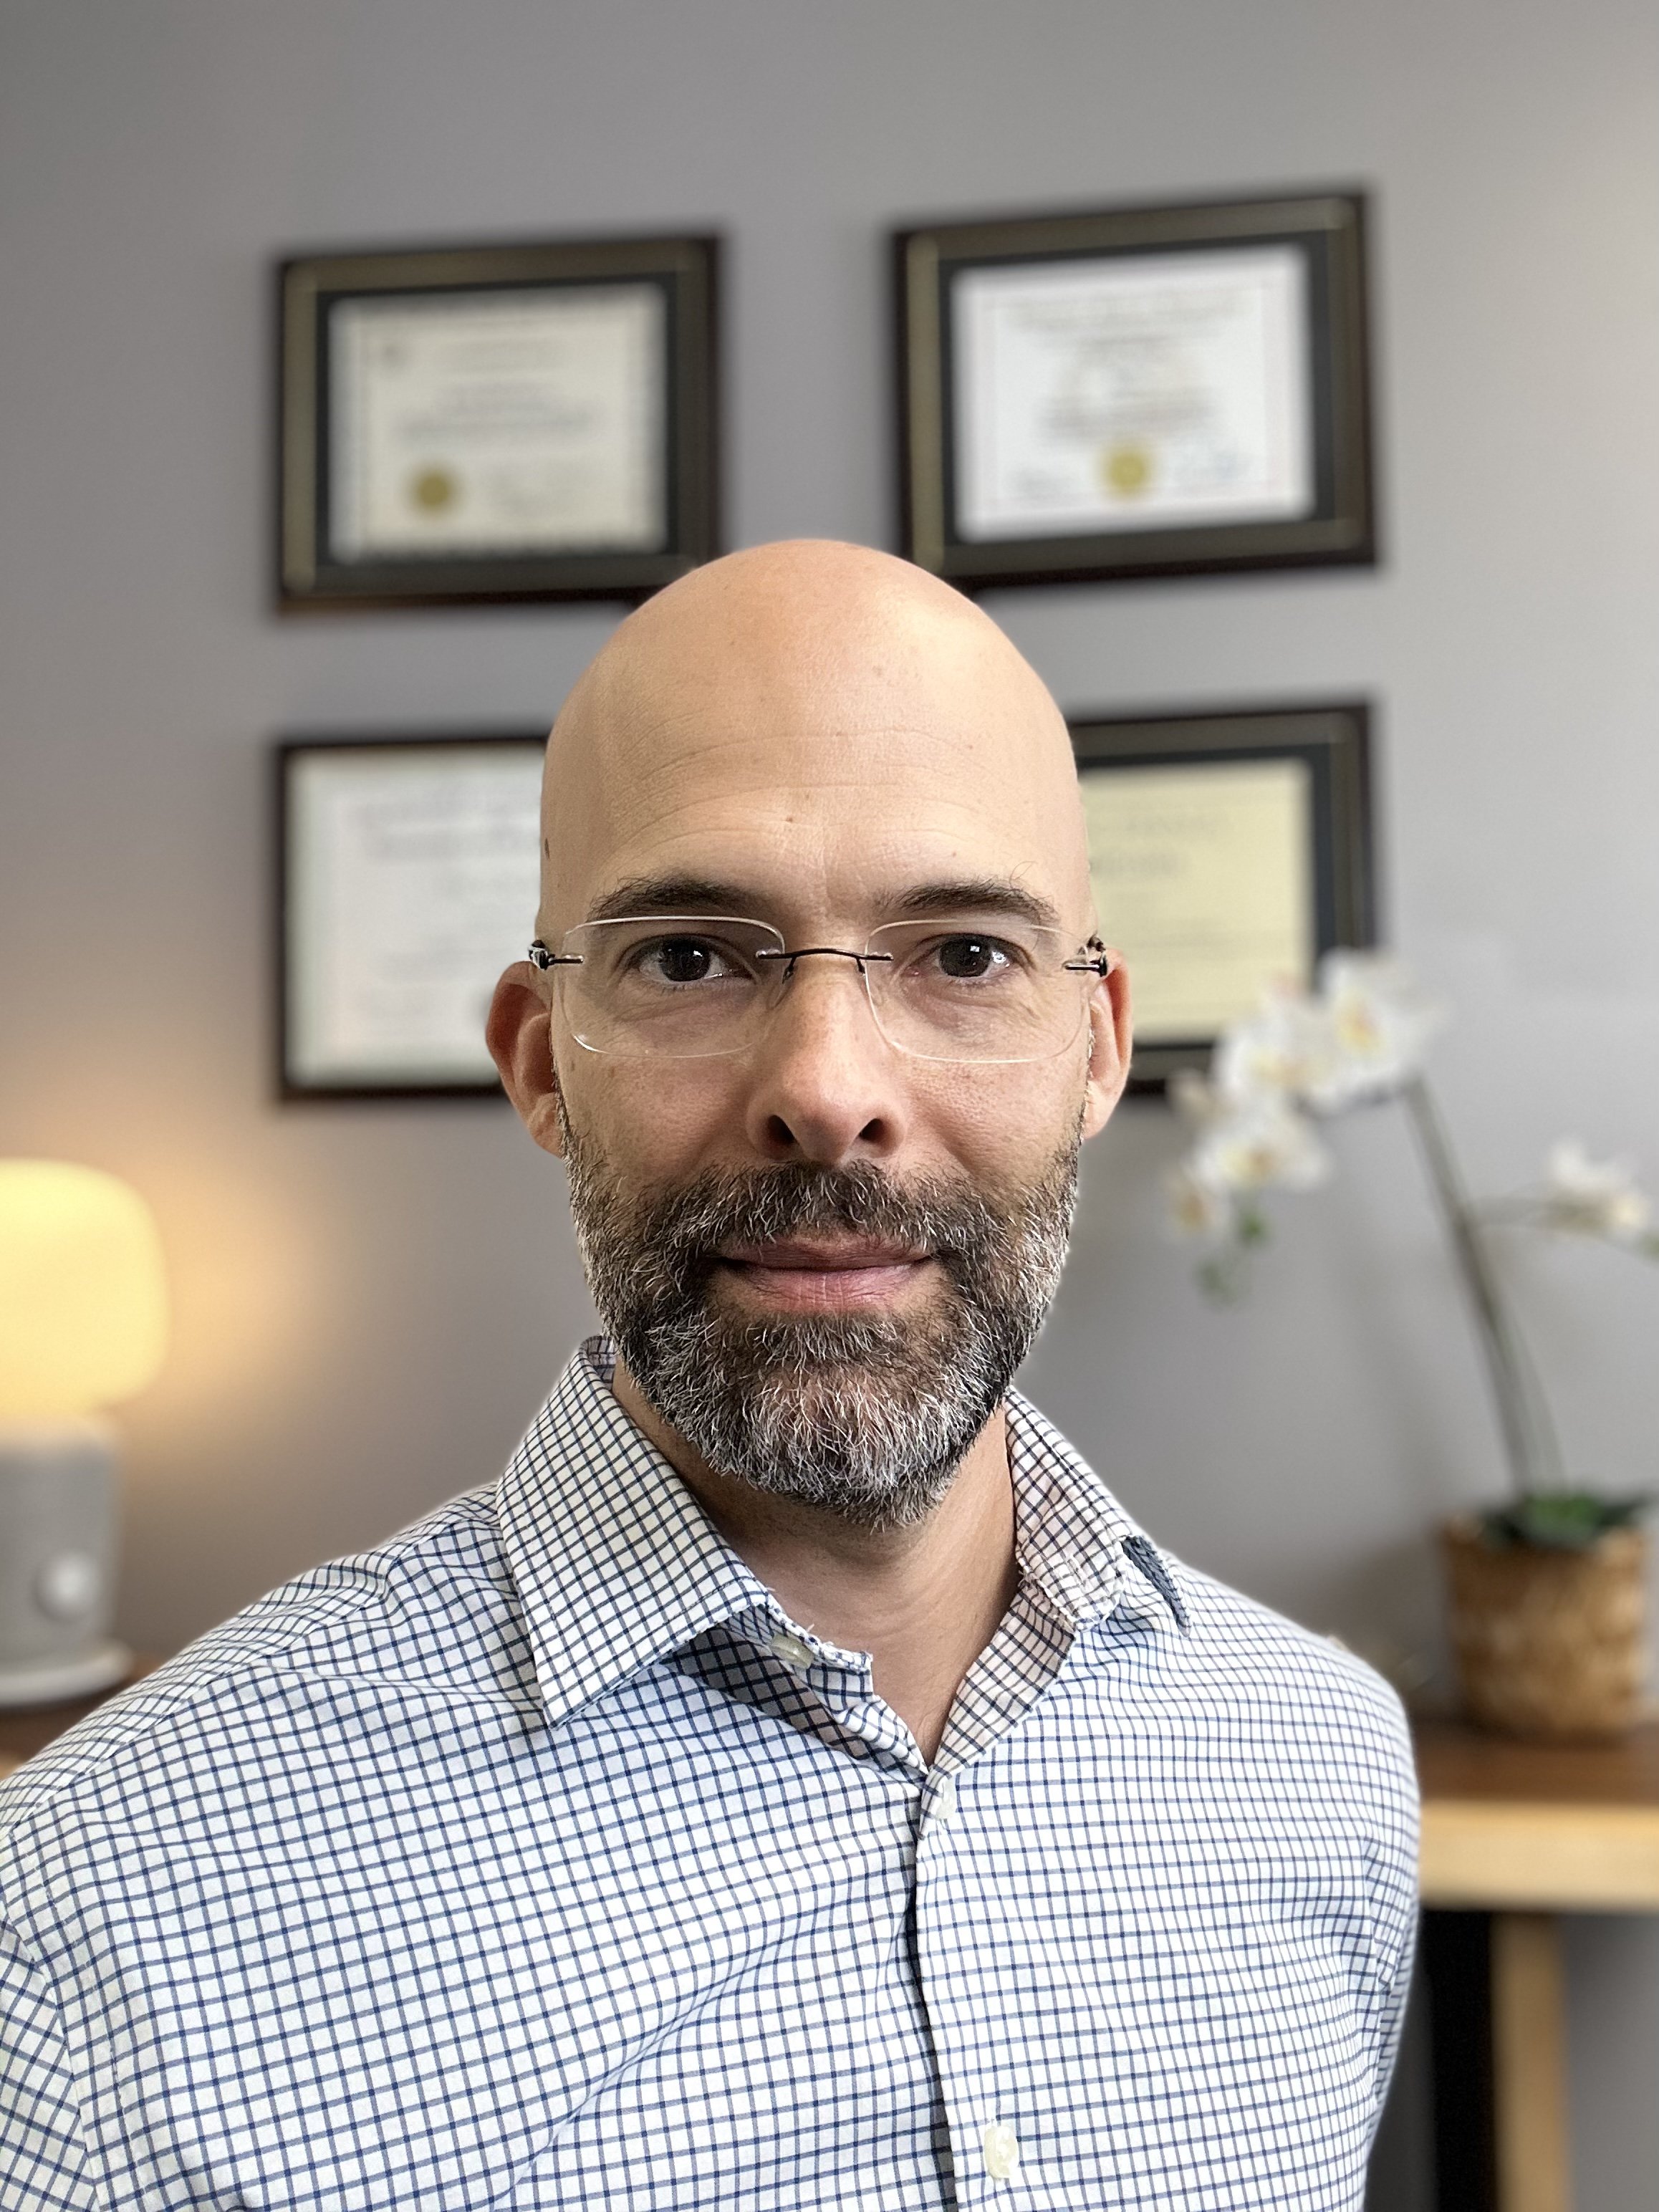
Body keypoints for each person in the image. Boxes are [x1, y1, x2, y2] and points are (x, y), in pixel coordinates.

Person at [0, 542, 1415, 2210]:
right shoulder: (95, 1904)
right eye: (691, 955)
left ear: (1095, 1051)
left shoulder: (1323, 1765)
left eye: (962, 953)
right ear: (541, 1062)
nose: (826, 1088)